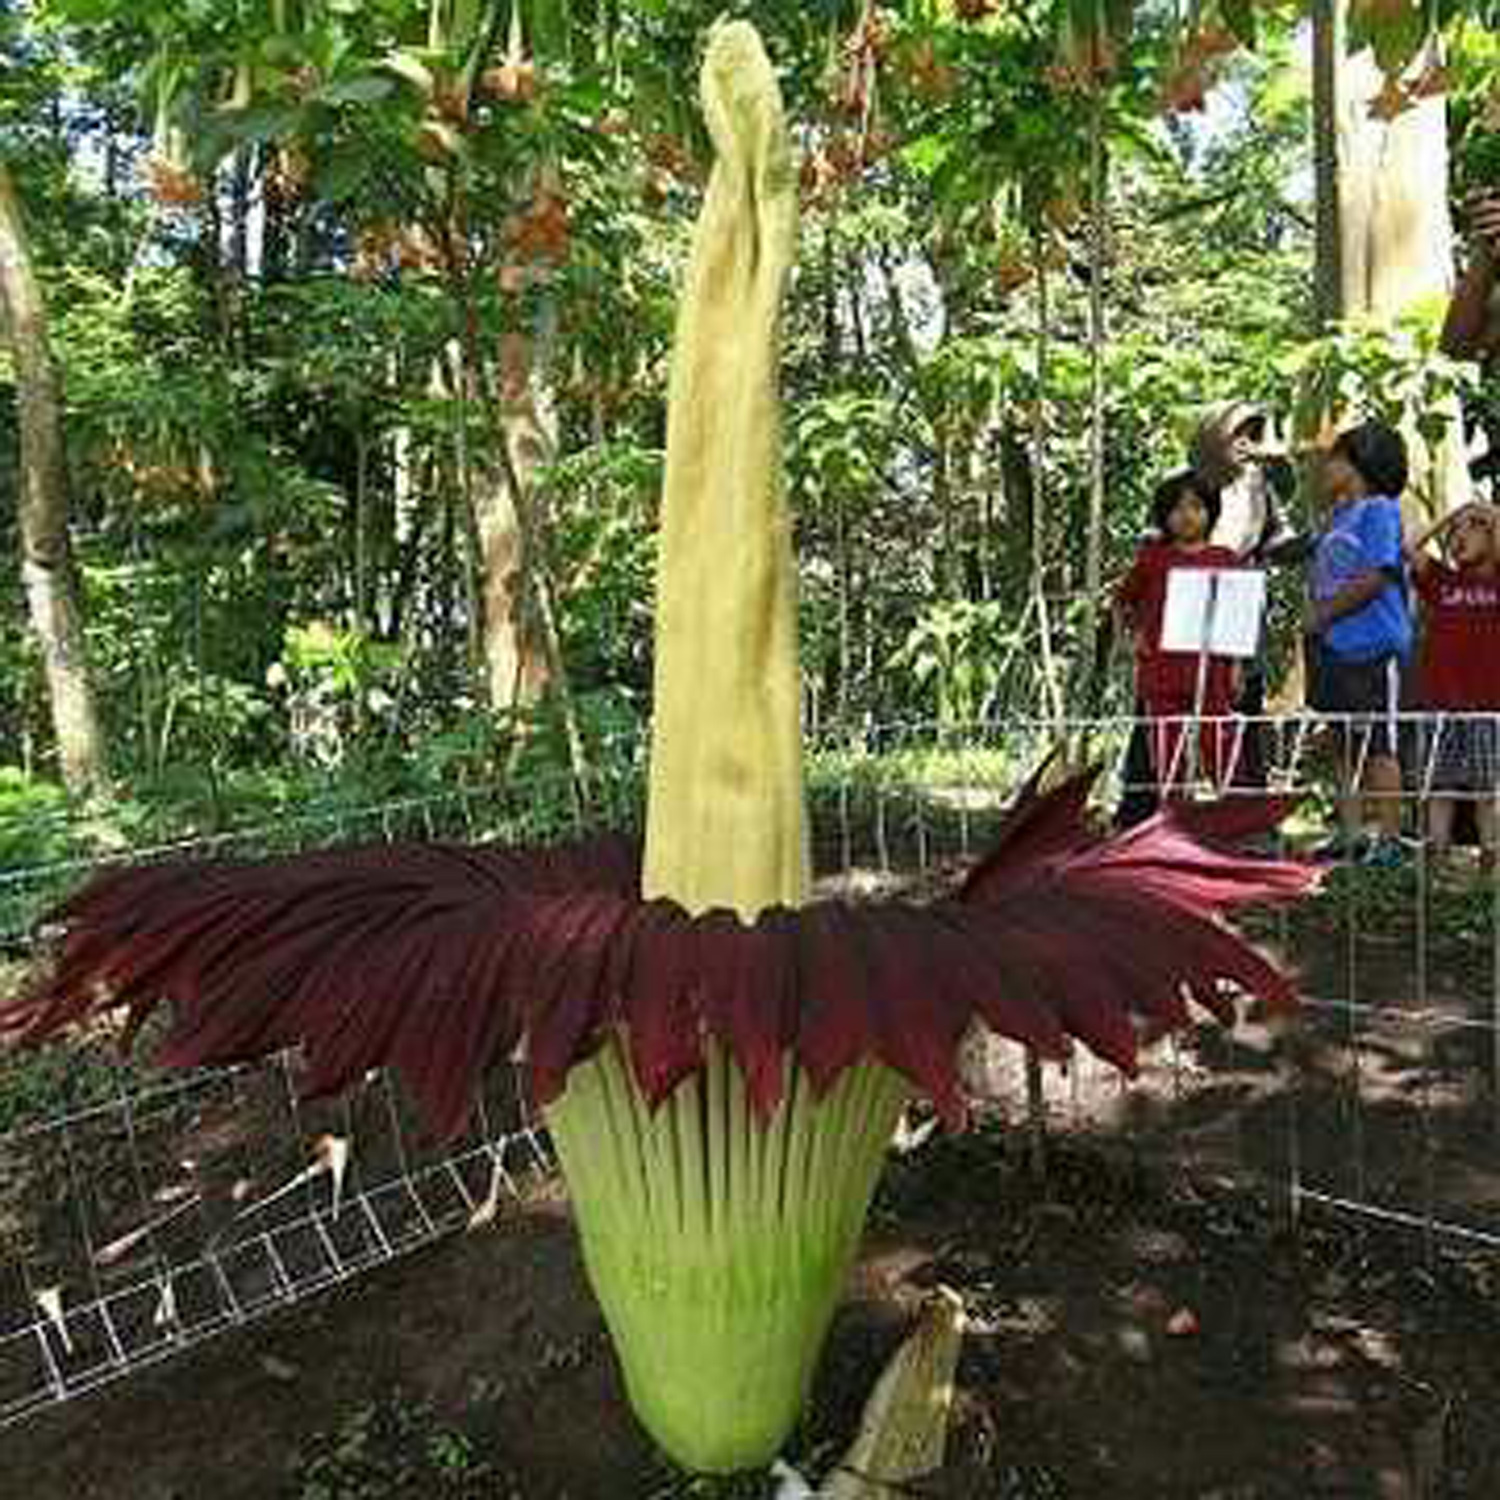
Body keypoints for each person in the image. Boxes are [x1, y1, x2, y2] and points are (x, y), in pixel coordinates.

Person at [1305, 420, 1415, 867]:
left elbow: (1377, 574)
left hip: (1374, 646)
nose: (1325, 468)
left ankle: (1389, 839)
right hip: (1332, 648)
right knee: (1341, 741)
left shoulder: (1380, 510)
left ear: (1357, 463)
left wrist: (1326, 613)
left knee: (1380, 744)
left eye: (1334, 458)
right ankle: (1349, 834)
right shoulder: (1336, 516)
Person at [1114, 469, 1243, 801]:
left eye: (1196, 507)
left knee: (1218, 745)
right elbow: (1122, 601)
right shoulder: (1153, 558)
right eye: (1178, 508)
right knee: (1165, 750)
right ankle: (1171, 819)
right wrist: (1129, 639)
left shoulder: (1226, 559)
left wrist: (1238, 666)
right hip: (1161, 669)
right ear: (1164, 515)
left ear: (1210, 513)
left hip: (1213, 670)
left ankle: (1231, 819)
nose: (1187, 516)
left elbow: (1235, 617)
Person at [1405, 502, 1500, 872]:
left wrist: (1492, 516)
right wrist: (1450, 515)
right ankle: (1437, 858)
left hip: (1489, 704)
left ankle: (1490, 862)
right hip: (1440, 702)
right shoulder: (1442, 581)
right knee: (1438, 783)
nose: (1460, 536)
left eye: (1472, 528)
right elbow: (1408, 550)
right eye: (1455, 531)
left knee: (1487, 787)